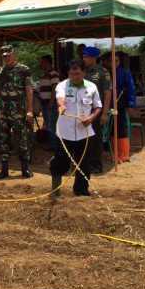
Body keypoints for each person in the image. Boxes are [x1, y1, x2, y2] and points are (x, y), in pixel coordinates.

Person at [51, 60, 102, 197]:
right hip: (64, 132)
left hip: (84, 133)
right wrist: (61, 106)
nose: (74, 76)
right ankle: (55, 190)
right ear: (68, 73)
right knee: (60, 161)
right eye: (72, 73)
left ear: (84, 73)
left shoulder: (92, 87)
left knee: (84, 164)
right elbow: (60, 98)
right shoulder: (62, 85)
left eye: (78, 73)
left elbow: (98, 106)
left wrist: (91, 118)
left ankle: (81, 192)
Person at [0, 45, 35, 179]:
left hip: (19, 109)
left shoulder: (24, 70)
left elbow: (29, 90)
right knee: (2, 138)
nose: (6, 57)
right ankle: (4, 170)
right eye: (4, 56)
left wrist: (30, 110)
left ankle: (25, 169)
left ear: (13, 54)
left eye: (8, 55)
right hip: (2, 109)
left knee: (21, 138)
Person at [83, 46, 111, 173]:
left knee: (95, 138)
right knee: (83, 138)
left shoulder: (102, 72)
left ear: (94, 58)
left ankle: (96, 165)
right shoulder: (82, 71)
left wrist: (105, 113)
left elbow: (107, 93)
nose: (84, 59)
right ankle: (84, 163)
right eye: (83, 56)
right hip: (83, 110)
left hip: (96, 110)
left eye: (86, 56)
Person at [110, 52, 136, 162]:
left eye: (116, 60)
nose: (113, 63)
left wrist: (130, 104)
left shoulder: (125, 72)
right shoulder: (107, 73)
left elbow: (131, 88)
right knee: (111, 128)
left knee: (121, 127)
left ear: (119, 62)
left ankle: (124, 154)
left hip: (120, 103)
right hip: (109, 103)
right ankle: (115, 153)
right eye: (112, 60)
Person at [36, 55, 60, 135]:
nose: (40, 64)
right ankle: (51, 144)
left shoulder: (53, 74)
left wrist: (51, 102)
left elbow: (55, 88)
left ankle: (54, 146)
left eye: (42, 62)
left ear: (47, 62)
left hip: (50, 104)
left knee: (51, 125)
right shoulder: (43, 75)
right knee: (48, 123)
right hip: (44, 103)